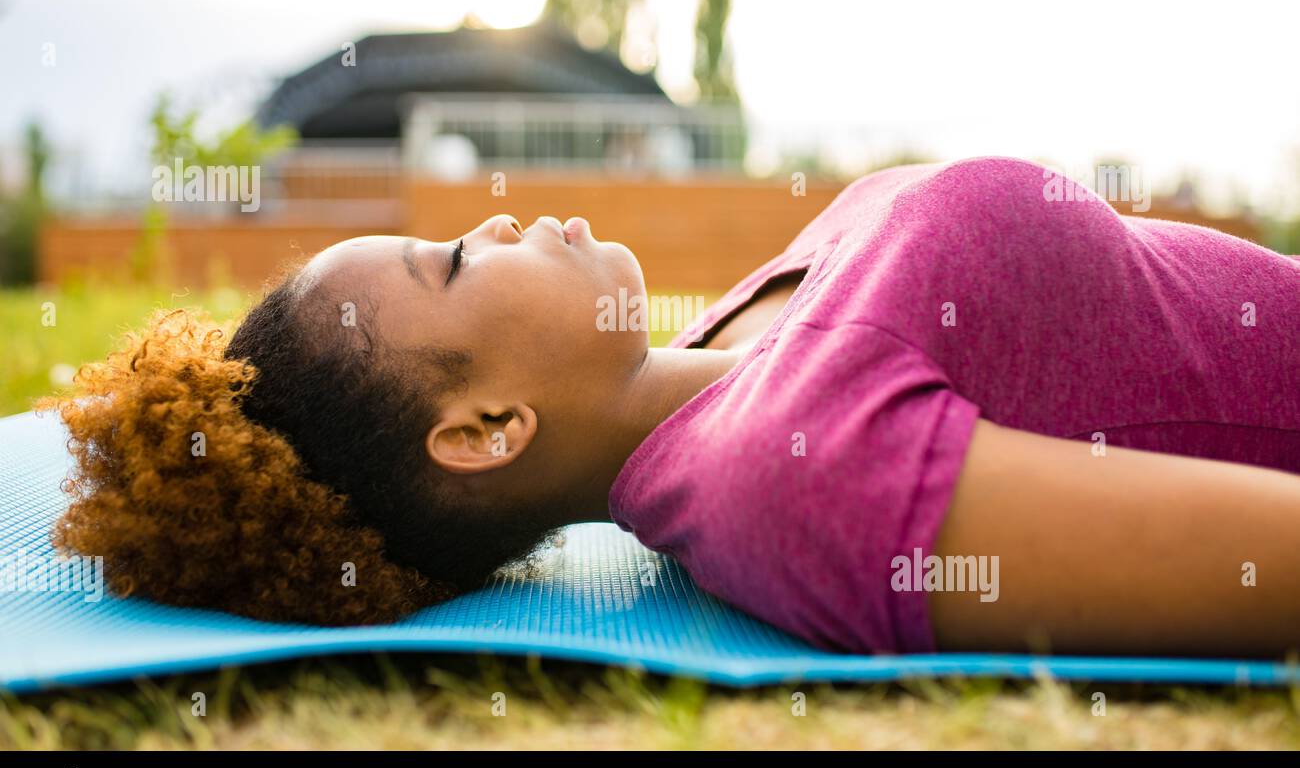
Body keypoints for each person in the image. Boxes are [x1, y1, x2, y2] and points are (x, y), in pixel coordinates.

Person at [43, 156, 1300, 656]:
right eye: (456, 264)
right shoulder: (792, 479)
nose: (493, 218)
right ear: (485, 431)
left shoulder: (713, 345)